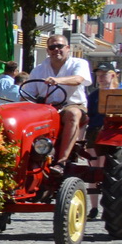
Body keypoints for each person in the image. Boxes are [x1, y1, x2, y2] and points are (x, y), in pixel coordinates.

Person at [31, 35, 91, 165]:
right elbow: (28, 93)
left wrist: (57, 80)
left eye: (60, 46)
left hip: (72, 105)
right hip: (46, 108)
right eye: (52, 47)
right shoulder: (39, 69)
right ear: (48, 51)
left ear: (68, 48)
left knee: (72, 114)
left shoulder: (79, 64)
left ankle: (62, 161)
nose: (56, 49)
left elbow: (78, 80)